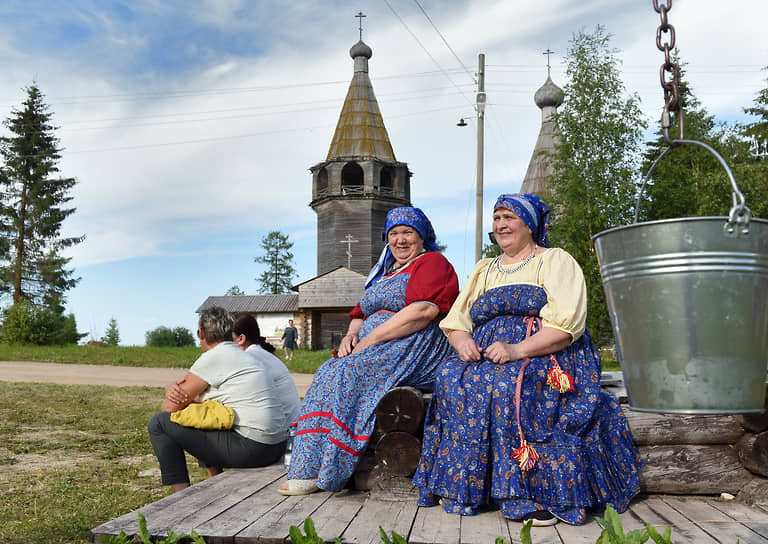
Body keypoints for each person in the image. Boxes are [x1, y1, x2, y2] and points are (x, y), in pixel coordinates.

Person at [413, 194, 642, 526]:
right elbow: (457, 318)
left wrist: (517, 349)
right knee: (450, 376)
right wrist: (461, 341)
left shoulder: (555, 261)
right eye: (497, 218)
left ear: (530, 225)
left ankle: (528, 493)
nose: (501, 225)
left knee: (508, 382)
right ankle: (467, 485)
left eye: (510, 217)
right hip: (487, 351)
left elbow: (567, 324)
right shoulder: (484, 269)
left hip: (546, 352)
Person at [278, 206, 460, 496]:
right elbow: (360, 312)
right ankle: (307, 467)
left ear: (422, 237)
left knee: (349, 373)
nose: (400, 240)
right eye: (394, 234)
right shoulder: (384, 272)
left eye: (408, 233)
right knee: (328, 370)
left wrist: (372, 338)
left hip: (416, 343)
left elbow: (423, 310)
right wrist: (351, 336)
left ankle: (332, 470)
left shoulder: (432, 263)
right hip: (380, 343)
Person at [148, 307, 287, 493]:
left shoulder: (214, 357)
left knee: (158, 423)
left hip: (254, 448)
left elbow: (169, 408)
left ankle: (179, 495)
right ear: (230, 332)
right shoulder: (243, 356)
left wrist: (173, 390)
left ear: (201, 333)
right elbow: (200, 397)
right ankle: (216, 483)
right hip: (277, 444)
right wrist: (177, 391)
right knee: (204, 417)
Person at [233, 312, 301, 425]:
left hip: (287, 434)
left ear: (241, 339)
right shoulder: (261, 355)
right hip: (293, 429)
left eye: (227, 341)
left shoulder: (250, 358)